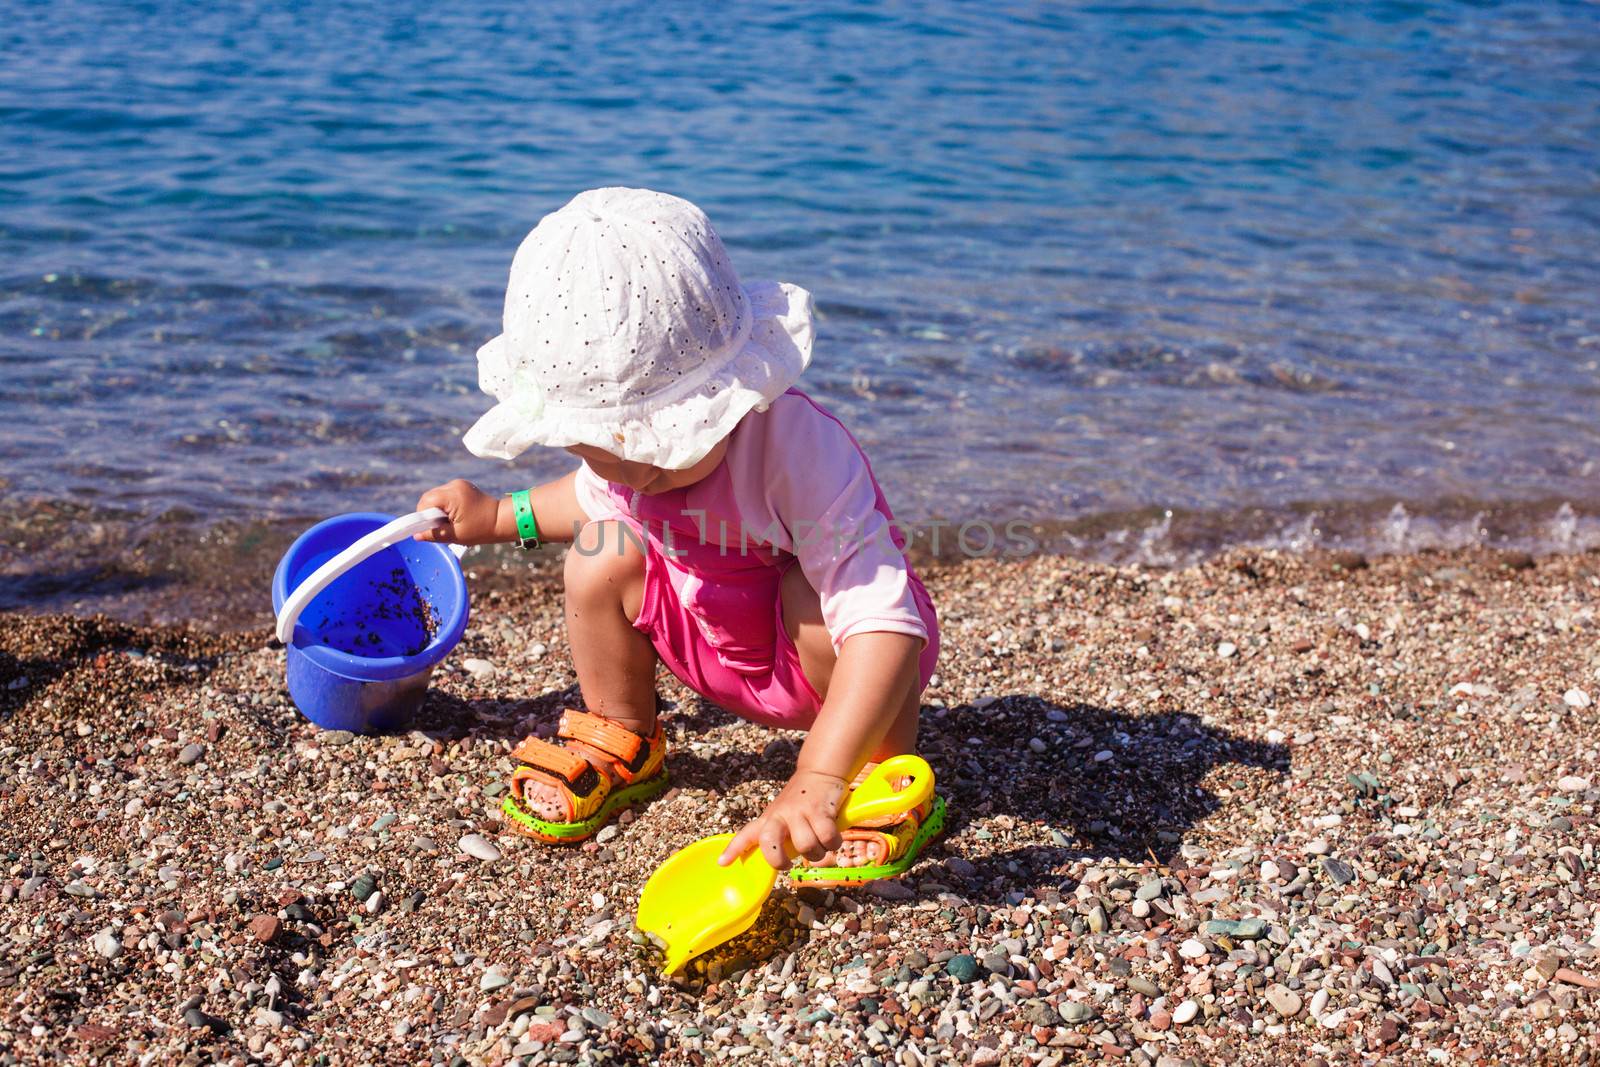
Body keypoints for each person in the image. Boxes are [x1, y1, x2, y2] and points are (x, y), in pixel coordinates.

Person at [415, 187, 941, 884]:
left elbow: (884, 622)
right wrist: (491, 518)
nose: (636, 471)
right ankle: (625, 734)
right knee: (600, 550)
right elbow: (585, 498)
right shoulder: (624, 470)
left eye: (659, 448)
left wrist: (817, 773)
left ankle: (879, 773)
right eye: (604, 448)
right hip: (710, 638)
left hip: (837, 664)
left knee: (813, 591)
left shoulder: (800, 452)